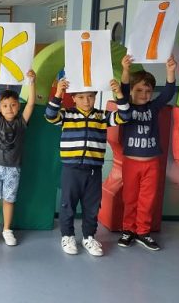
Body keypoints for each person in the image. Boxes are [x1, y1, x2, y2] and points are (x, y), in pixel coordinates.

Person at [45, 77, 130, 257]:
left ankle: (89, 236)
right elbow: (50, 115)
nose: (86, 101)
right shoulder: (67, 115)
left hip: (93, 170)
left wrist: (119, 93)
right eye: (81, 97)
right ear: (74, 98)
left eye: (90, 96)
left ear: (95, 96)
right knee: (68, 204)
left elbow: (125, 116)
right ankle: (67, 235)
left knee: (92, 206)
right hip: (71, 169)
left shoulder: (101, 116)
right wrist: (59, 93)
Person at [117, 55, 177, 251]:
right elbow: (124, 90)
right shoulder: (126, 107)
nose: (144, 94)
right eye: (139, 90)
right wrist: (126, 70)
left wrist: (170, 71)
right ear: (132, 92)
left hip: (151, 163)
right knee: (130, 197)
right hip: (131, 163)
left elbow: (168, 93)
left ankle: (143, 231)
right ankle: (128, 230)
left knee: (147, 199)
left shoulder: (153, 107)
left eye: (148, 90)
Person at [0, 67, 36, 246]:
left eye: (13, 105)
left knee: (9, 200)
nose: (9, 108)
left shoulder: (22, 122)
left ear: (18, 106)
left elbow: (31, 104)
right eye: (5, 105)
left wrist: (32, 82)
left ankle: (7, 229)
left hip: (13, 168)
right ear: (0, 107)